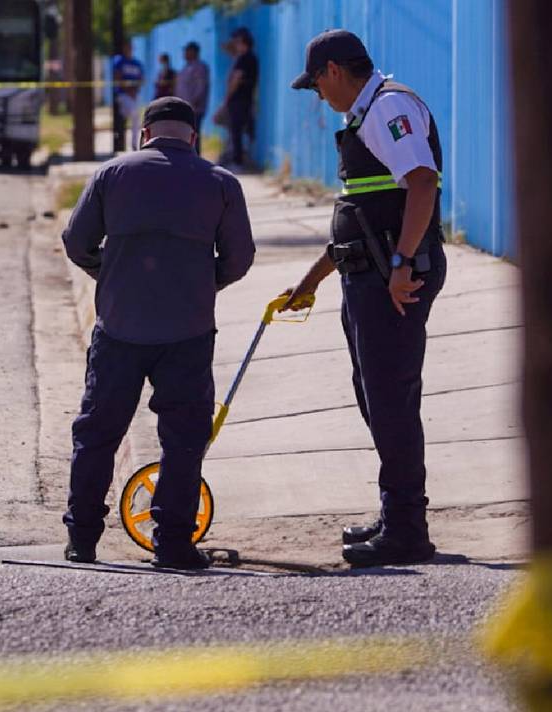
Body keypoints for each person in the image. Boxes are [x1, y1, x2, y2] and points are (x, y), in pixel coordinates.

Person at [62, 97, 256, 570]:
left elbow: (75, 242)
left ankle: (82, 540)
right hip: (187, 333)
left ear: (144, 134)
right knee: (184, 439)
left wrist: (110, 273)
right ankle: (172, 544)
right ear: (193, 136)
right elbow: (239, 258)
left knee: (98, 433)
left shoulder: (112, 175)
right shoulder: (220, 183)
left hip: (119, 329)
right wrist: (201, 281)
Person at [283, 30, 448, 567]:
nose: (319, 96)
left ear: (333, 70)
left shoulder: (388, 108)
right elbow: (363, 215)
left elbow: (421, 184)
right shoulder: (365, 115)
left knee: (392, 400)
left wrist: (401, 265)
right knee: (376, 397)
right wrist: (312, 279)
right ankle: (395, 510)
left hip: (394, 281)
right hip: (369, 277)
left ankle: (407, 529)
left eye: (316, 85)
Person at [216, 27, 258, 170]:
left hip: (239, 100)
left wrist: (227, 98)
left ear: (242, 42)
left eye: (237, 42)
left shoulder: (245, 58)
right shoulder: (245, 57)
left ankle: (238, 162)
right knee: (236, 131)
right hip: (243, 100)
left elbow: (236, 79)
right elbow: (229, 50)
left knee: (236, 131)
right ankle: (236, 159)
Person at [175, 41, 210, 153]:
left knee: (194, 134)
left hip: (194, 107)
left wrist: (195, 101)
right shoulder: (187, 67)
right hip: (185, 106)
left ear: (193, 52)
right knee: (186, 134)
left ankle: (195, 158)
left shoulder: (199, 67)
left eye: (187, 51)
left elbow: (201, 86)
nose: (184, 53)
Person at [112, 40, 145, 150]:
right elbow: (117, 77)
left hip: (134, 95)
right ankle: (122, 140)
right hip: (123, 95)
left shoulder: (137, 63)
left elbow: (141, 79)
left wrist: (134, 91)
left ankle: (134, 144)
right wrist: (128, 90)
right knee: (127, 115)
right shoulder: (119, 61)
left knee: (136, 117)